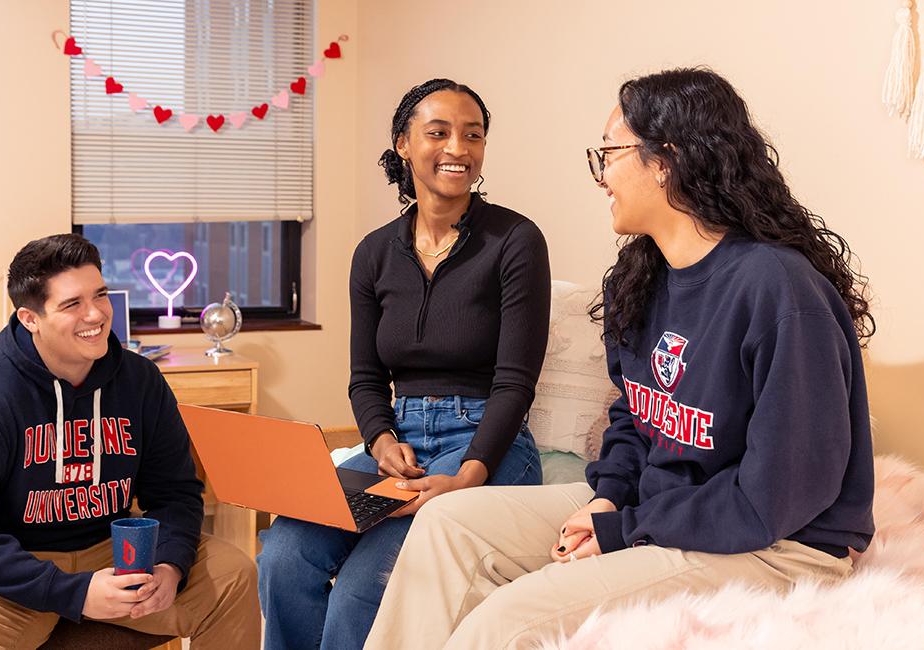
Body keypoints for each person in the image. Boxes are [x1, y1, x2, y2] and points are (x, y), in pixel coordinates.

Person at [365, 67, 877, 649]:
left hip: (778, 546)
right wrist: (609, 497)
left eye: (608, 153)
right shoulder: (641, 278)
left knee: (505, 622)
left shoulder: (778, 290)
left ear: (667, 160)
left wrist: (622, 529)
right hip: (666, 509)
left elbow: (776, 498)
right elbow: (636, 420)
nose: (601, 175)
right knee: (447, 525)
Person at [256, 78, 551, 649]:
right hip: (400, 446)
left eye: (473, 135)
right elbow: (365, 378)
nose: (458, 150)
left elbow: (516, 382)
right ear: (403, 145)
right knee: (285, 555)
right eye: (438, 133)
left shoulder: (515, 240)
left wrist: (469, 476)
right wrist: (380, 439)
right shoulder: (373, 253)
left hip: (487, 441)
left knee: (364, 586)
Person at [0, 234, 257, 649]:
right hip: (0, 564)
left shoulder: (140, 382)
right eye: (72, 304)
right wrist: (77, 593)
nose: (96, 315)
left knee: (235, 577)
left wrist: (170, 564)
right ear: (30, 319)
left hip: (106, 549)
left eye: (99, 295)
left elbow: (176, 492)